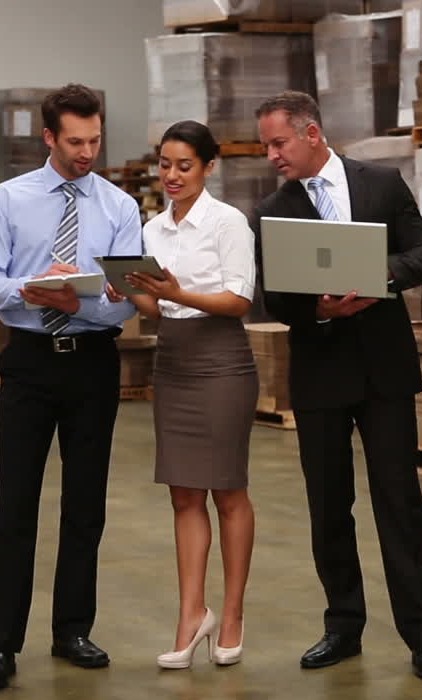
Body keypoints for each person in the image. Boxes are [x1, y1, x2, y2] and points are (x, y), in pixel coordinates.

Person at [251, 91, 422, 681]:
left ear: (311, 134)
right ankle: (343, 626)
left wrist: (376, 274)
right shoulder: (274, 208)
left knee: (400, 503)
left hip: (383, 370)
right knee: (329, 505)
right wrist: (319, 309)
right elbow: (276, 298)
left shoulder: (381, 184)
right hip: (319, 371)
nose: (272, 156)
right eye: (265, 146)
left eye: (278, 143)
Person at [0, 84, 141, 692]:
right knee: (16, 505)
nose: (87, 152)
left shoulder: (119, 207)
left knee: (85, 504)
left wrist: (84, 302)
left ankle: (72, 630)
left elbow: (126, 307)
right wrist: (34, 286)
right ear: (49, 137)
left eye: (95, 140)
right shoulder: (10, 200)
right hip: (30, 364)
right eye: (75, 142)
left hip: (92, 364)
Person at [106, 120, 258, 670]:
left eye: (184, 166)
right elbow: (157, 309)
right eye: (165, 165)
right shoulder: (152, 231)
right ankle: (192, 614)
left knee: (227, 490)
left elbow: (239, 300)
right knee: (183, 494)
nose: (171, 175)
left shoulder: (228, 223)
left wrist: (177, 291)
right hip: (172, 362)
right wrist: (132, 290)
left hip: (221, 364)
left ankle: (234, 613)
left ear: (209, 167)